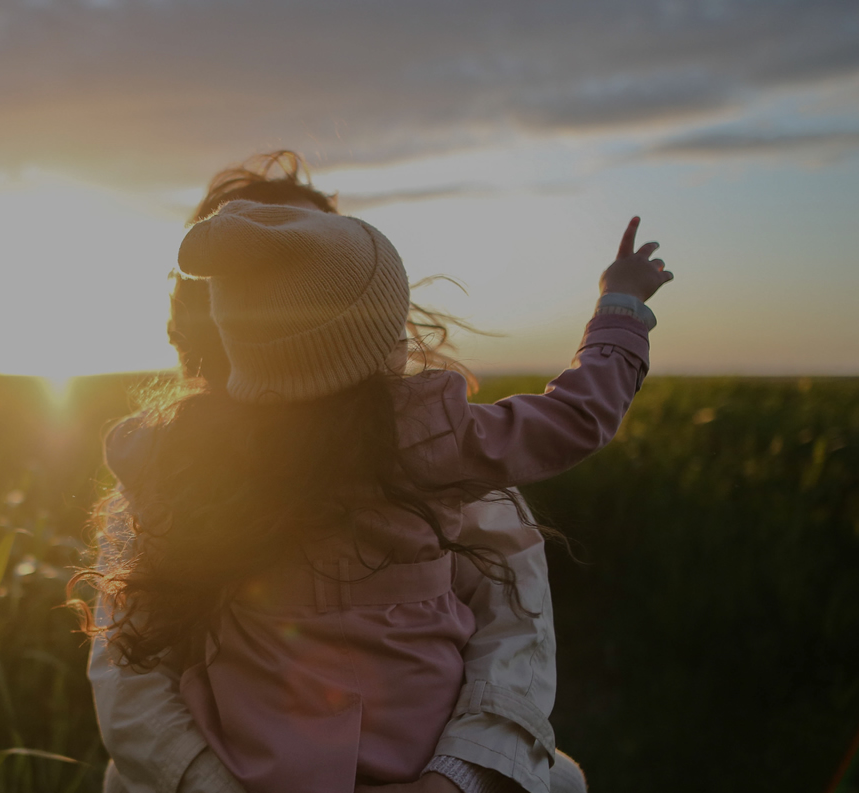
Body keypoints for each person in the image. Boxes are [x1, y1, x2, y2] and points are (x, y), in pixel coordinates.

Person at [81, 153, 669, 792]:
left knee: (562, 782)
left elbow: (512, 628)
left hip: (321, 766)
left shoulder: (178, 451)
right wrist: (619, 309)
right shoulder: (434, 437)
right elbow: (129, 675)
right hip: (278, 769)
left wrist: (454, 779)